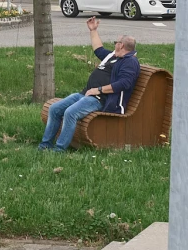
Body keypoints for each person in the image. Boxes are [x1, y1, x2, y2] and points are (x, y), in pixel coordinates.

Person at [40, 18, 140, 151]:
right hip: (85, 94)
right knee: (54, 109)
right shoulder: (112, 56)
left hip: (99, 99)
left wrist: (99, 90)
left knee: (70, 113)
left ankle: (59, 150)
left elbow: (124, 83)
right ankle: (45, 145)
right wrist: (93, 30)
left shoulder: (129, 62)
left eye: (116, 42)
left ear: (121, 45)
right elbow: (98, 49)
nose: (115, 44)